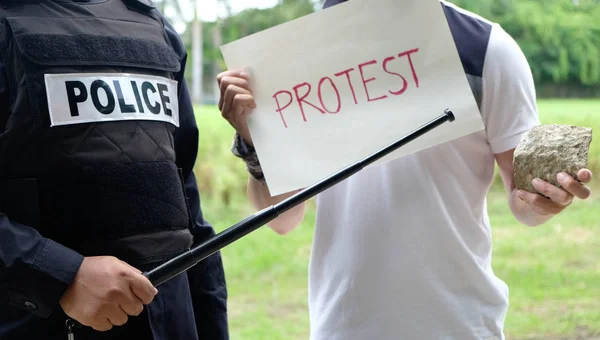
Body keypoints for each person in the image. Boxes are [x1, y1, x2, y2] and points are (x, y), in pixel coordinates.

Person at [217, 0, 594, 339]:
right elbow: (282, 218)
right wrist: (254, 145)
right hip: (342, 325)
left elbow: (523, 202)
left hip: (458, 324)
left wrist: (546, 199)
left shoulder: (484, 50)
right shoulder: (298, 59)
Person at [0, 0, 228, 339]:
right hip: (46, 321)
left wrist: (211, 322)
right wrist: (61, 277)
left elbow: (185, 203)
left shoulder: (154, 27)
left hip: (171, 315)